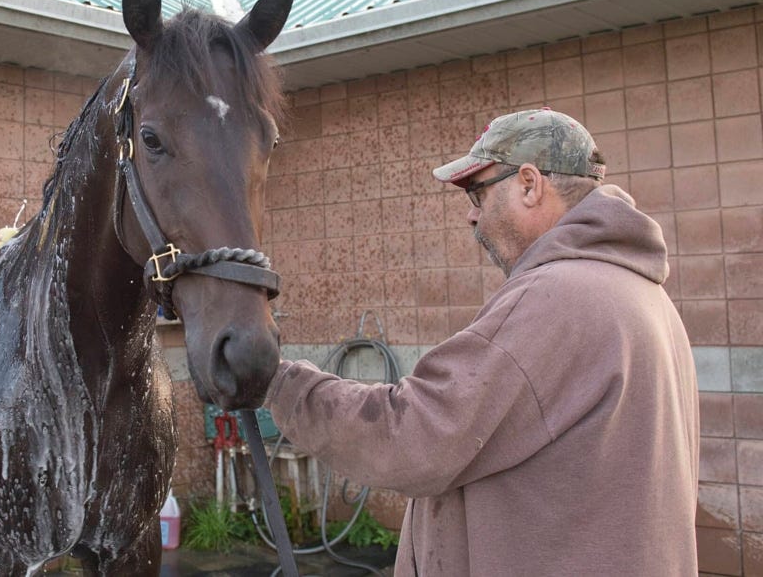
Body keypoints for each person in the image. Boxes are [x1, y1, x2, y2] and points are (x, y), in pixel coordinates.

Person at [265, 108, 698, 576]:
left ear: (530, 185)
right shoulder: (644, 295)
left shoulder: (556, 297)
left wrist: (276, 382)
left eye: (478, 192)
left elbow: (413, 437)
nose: (472, 216)